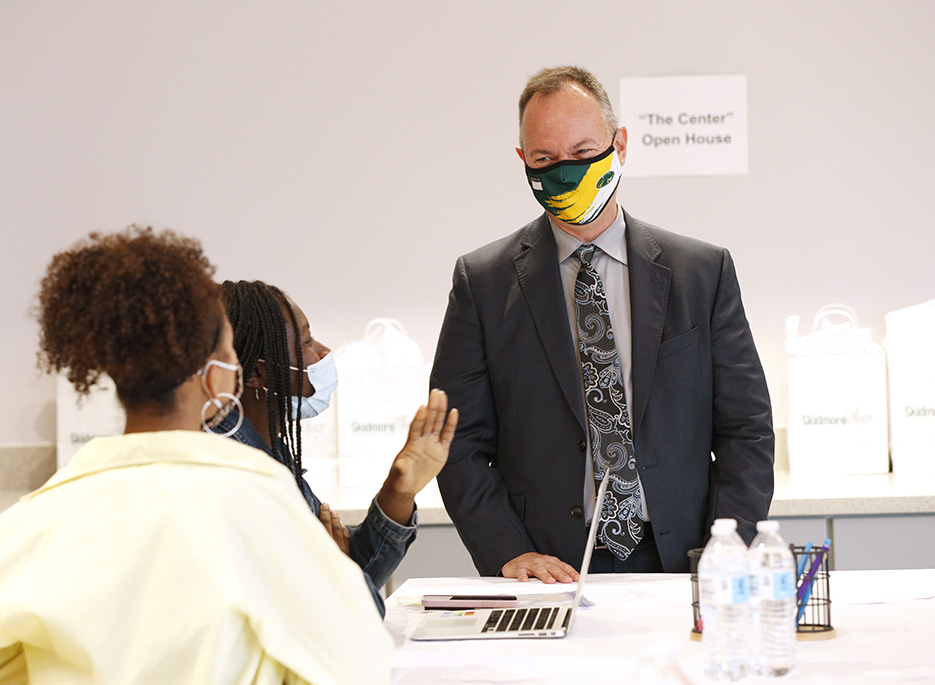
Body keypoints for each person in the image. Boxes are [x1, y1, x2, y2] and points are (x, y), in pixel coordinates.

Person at [0, 227, 392, 684]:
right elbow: (356, 662)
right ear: (212, 374)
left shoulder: (30, 520)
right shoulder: (258, 503)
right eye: (230, 351)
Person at [430, 66, 774, 583]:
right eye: (546, 159)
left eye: (584, 151)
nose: (566, 172)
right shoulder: (483, 283)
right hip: (548, 568)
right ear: (523, 161)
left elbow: (745, 429)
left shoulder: (701, 273)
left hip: (687, 558)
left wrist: (729, 545)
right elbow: (457, 442)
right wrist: (506, 551)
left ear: (620, 145)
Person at [219, 280, 458, 615]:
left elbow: (357, 570)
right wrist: (335, 571)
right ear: (258, 373)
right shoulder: (242, 471)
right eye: (305, 341)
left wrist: (399, 492)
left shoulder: (270, 451)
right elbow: (352, 613)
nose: (323, 352)